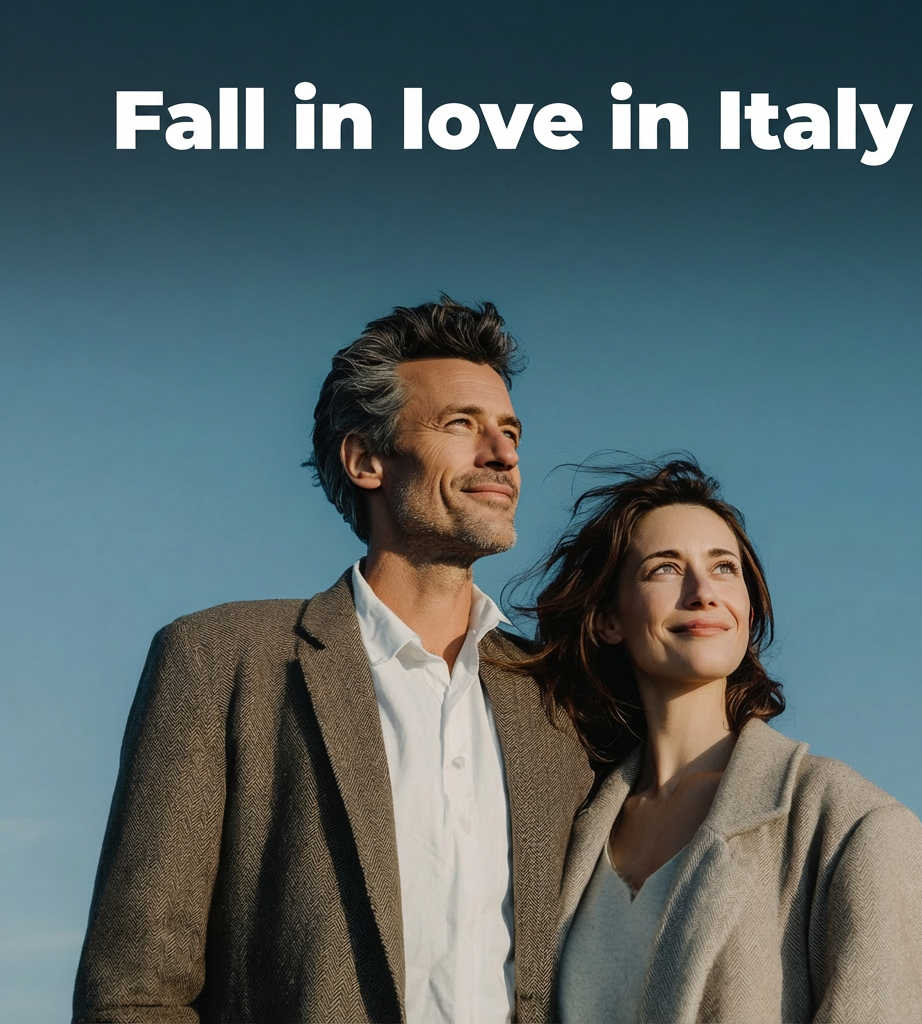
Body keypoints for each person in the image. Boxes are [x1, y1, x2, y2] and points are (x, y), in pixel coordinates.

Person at [72, 296, 594, 1024]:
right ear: (365, 459)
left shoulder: (558, 702)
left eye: (509, 431)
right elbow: (133, 993)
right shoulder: (220, 662)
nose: (503, 455)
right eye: (461, 425)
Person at [510, 459, 922, 1024]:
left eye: (724, 568)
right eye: (665, 568)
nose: (703, 592)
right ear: (608, 619)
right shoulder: (572, 831)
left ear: (749, 605)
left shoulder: (854, 827)